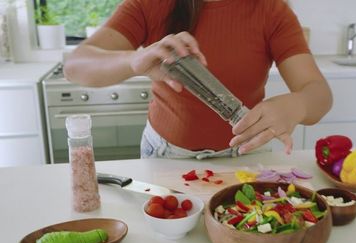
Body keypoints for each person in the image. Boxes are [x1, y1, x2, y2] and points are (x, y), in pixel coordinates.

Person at [63, 0, 332, 159]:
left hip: (246, 158)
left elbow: (319, 93)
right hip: (165, 157)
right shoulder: (150, 5)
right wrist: (134, 61)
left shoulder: (271, 11)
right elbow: (75, 65)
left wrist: (297, 105)